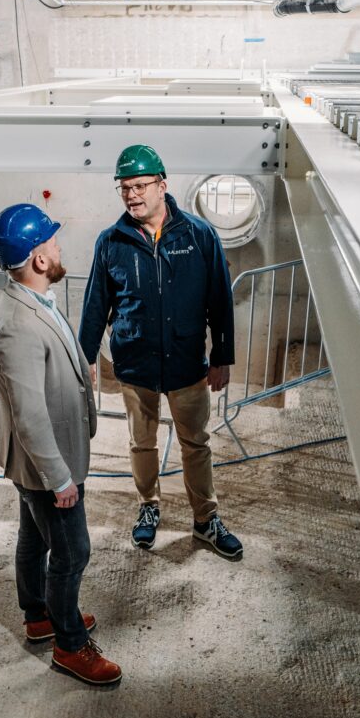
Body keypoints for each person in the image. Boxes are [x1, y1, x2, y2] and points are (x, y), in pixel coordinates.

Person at [79, 145, 243, 560]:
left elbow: (219, 299)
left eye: (139, 186)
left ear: (162, 185)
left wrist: (222, 355)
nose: (132, 195)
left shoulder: (198, 235)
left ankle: (206, 520)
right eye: (124, 188)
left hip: (187, 363)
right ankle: (148, 509)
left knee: (196, 443)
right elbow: (96, 304)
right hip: (135, 364)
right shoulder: (111, 241)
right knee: (142, 444)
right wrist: (85, 357)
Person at [0, 203, 122, 687]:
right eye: (52, 242)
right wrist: (59, 478)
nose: (59, 247)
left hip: (44, 463)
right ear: (39, 260)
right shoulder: (16, 328)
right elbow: (29, 414)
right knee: (71, 553)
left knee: (33, 540)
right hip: (47, 465)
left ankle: (39, 615)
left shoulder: (36, 301)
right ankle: (69, 645)